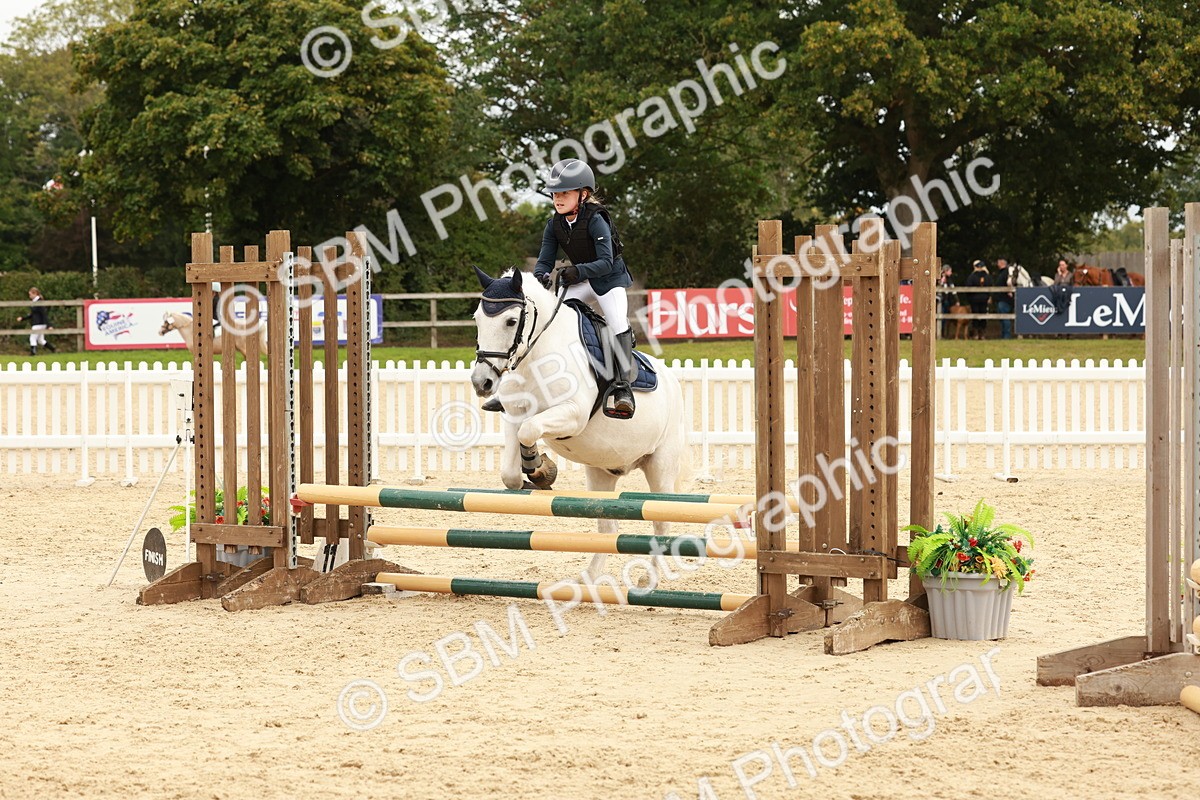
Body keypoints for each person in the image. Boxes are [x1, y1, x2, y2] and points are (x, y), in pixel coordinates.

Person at [482, 158, 636, 417]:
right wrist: (541, 274)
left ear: (583, 194)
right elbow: (544, 259)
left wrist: (577, 271)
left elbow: (606, 262)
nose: (558, 198)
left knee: (618, 323)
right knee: (548, 321)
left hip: (609, 280)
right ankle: (512, 386)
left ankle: (623, 388)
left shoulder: (597, 220)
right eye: (555, 193)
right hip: (580, 280)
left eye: (565, 192)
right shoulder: (555, 223)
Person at [16, 286, 54, 356]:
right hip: (39, 323)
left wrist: (49, 325)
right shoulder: (35, 302)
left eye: (30, 294)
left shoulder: (39, 302)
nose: (29, 296)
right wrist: (23, 318)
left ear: (35, 293)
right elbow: (32, 314)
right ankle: (53, 349)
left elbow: (44, 314)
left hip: (38, 323)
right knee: (40, 340)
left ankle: (33, 353)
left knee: (32, 338)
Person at [965, 260, 991, 340]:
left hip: (974, 299)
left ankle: (976, 333)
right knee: (983, 315)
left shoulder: (972, 276)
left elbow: (968, 287)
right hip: (984, 299)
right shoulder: (987, 276)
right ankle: (981, 334)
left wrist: (970, 298)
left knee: (975, 315)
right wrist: (989, 297)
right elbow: (991, 286)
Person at [938, 265, 958, 338]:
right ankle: (940, 333)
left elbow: (953, 291)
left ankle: (945, 333)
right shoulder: (941, 279)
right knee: (942, 317)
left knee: (946, 318)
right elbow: (940, 286)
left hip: (948, 301)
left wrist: (956, 300)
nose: (951, 273)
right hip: (941, 300)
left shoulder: (950, 280)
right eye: (950, 271)